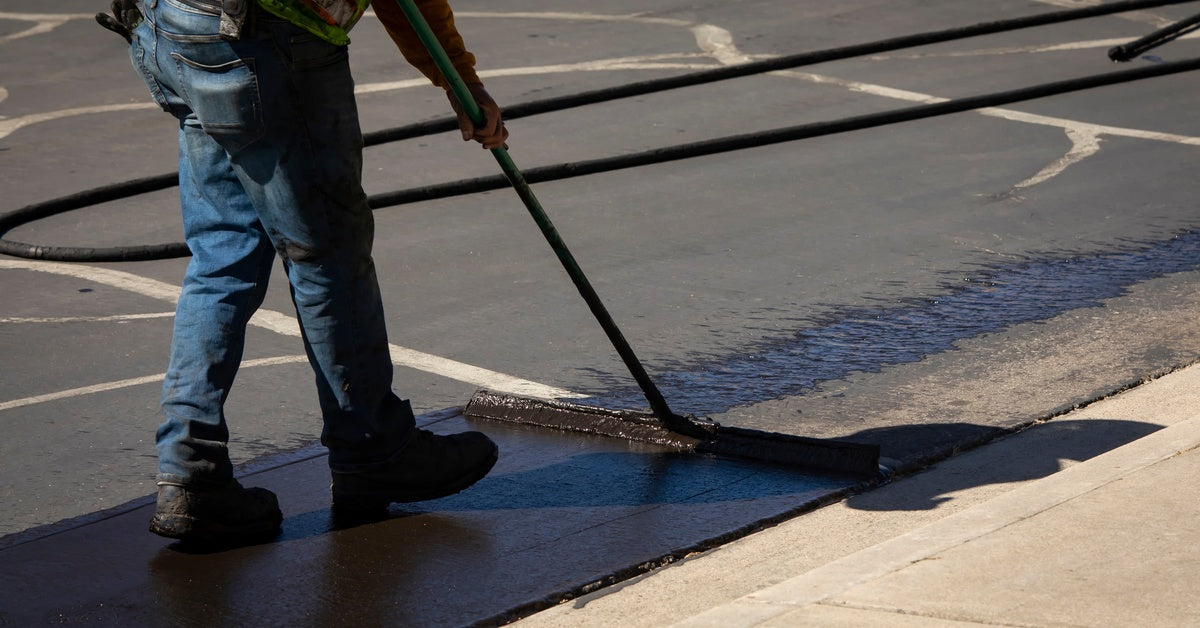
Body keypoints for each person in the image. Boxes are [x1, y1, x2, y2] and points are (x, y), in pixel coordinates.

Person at [96, 0, 509, 544]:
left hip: (171, 20)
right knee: (326, 251)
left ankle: (190, 472)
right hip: (267, 37)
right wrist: (459, 80)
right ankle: (373, 447)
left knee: (224, 252)